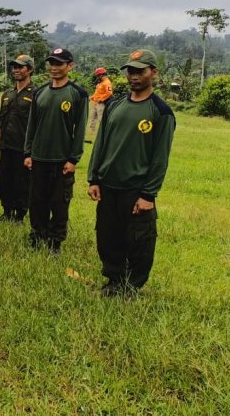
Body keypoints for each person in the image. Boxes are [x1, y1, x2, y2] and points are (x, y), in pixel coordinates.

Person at [87, 49, 175, 297]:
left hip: (136, 189)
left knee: (139, 241)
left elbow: (160, 158)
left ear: (153, 73)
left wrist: (148, 194)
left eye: (140, 71)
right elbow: (101, 143)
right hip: (108, 185)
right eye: (131, 71)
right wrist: (94, 178)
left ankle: (131, 287)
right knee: (107, 237)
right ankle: (113, 280)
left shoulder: (161, 112)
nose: (134, 76)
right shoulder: (115, 105)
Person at [23, 48, 88, 254]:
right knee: (37, 201)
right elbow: (31, 125)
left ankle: (55, 241)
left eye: (59, 63)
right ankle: (37, 235)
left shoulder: (78, 94)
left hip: (62, 159)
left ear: (70, 66)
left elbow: (80, 130)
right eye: (51, 63)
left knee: (59, 204)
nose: (54, 67)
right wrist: (27, 153)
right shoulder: (40, 92)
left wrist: (73, 158)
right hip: (39, 157)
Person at [0, 54, 36, 222]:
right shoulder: (7, 94)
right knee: (4, 180)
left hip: (23, 148)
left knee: (22, 182)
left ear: (30, 70)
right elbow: (0, 122)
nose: (16, 70)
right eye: (15, 67)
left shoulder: (36, 94)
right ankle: (7, 211)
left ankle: (20, 214)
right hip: (6, 145)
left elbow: (37, 125)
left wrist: (32, 151)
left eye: (21, 67)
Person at [86, 67, 114, 143]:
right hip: (95, 104)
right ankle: (90, 137)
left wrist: (101, 99)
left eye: (98, 76)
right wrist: (91, 97)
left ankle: (104, 136)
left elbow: (109, 93)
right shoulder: (100, 83)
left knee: (101, 120)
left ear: (101, 75)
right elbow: (97, 94)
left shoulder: (107, 83)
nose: (97, 77)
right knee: (92, 120)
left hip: (101, 105)